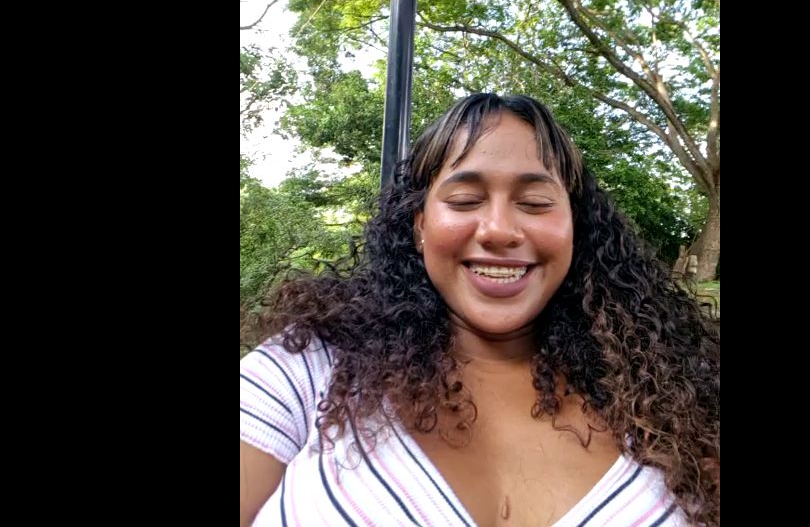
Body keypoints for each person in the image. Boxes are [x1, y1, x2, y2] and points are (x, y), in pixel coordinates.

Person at [240, 93, 720, 526]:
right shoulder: (307, 370)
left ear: (576, 227)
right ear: (419, 226)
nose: (498, 230)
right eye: (465, 200)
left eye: (535, 202)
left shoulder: (679, 402)